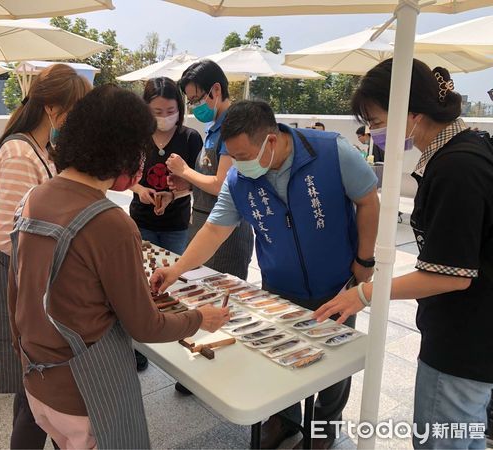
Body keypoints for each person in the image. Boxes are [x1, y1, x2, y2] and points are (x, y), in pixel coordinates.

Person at [7, 85, 229, 450]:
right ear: (126, 150)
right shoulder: (110, 222)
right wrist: (200, 318)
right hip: (86, 393)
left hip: (37, 382)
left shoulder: (35, 197)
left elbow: (19, 291)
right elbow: (145, 325)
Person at [152, 100, 380, 449]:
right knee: (280, 361)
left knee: (337, 362)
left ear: (270, 141)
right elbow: (215, 230)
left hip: (337, 282)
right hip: (279, 281)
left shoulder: (331, 151)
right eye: (233, 155)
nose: (240, 164)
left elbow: (368, 199)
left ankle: (324, 428)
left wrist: (365, 261)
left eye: (244, 155)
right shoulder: (239, 177)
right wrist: (177, 269)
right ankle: (284, 421)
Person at [314, 60, 493, 450]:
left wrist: (363, 293)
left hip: (464, 341)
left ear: (412, 112)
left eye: (377, 121)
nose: (372, 132)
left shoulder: (457, 168)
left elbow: (452, 274)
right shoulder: (467, 148)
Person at [0, 64, 91, 449]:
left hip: (28, 286)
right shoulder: (19, 153)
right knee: (36, 396)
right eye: (75, 110)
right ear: (51, 108)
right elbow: (9, 240)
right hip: (17, 287)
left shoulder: (38, 149)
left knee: (34, 396)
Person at [166, 60, 253, 280]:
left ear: (216, 89)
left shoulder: (234, 126)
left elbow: (222, 185)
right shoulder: (214, 127)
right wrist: (189, 185)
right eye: (191, 101)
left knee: (220, 298)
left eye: (196, 99)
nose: (195, 106)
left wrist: (185, 171)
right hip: (205, 225)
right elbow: (210, 177)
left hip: (225, 236)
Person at [129, 77, 203, 255]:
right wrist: (140, 191)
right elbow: (123, 175)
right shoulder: (137, 137)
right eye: (157, 111)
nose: (164, 117)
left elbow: (200, 182)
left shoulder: (190, 138)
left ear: (180, 108)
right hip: (141, 222)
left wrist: (173, 194)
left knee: (174, 276)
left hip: (177, 225)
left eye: (170, 111)